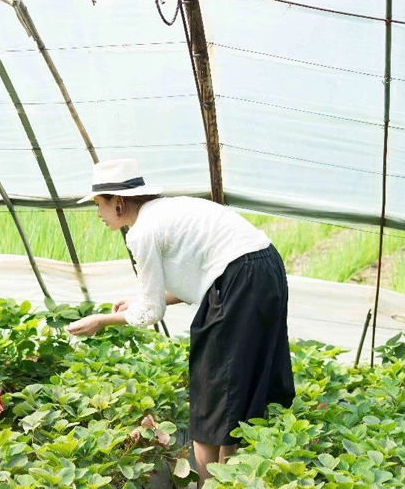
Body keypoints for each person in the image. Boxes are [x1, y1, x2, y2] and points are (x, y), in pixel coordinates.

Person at [66, 158, 295, 485]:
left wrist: (103, 320)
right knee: (236, 385)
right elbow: (197, 279)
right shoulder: (166, 211)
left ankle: (208, 483)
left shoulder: (142, 232)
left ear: (118, 203)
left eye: (98, 204)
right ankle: (228, 478)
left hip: (241, 278)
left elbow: (151, 312)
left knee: (212, 394)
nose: (98, 213)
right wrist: (137, 302)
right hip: (263, 268)